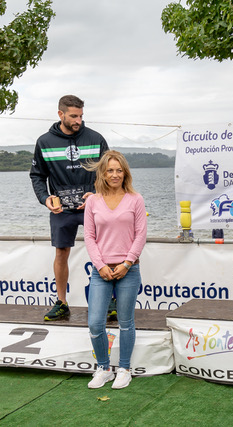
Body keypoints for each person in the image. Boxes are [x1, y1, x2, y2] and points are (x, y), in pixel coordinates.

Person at [30, 95, 110, 321]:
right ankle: (62, 302)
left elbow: (109, 172)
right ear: (60, 114)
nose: (78, 121)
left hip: (92, 205)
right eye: (74, 116)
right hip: (61, 209)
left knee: (105, 250)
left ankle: (110, 300)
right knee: (61, 252)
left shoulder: (96, 138)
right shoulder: (44, 142)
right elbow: (37, 176)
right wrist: (45, 198)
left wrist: (97, 195)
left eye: (81, 116)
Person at [83, 151, 147, 389]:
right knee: (95, 323)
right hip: (100, 272)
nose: (115, 174)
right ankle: (103, 368)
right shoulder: (93, 201)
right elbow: (89, 236)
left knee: (126, 322)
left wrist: (127, 263)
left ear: (125, 173)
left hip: (129, 270)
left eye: (119, 170)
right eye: (110, 170)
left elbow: (140, 235)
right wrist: (100, 265)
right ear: (102, 173)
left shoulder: (135, 199)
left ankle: (125, 369)